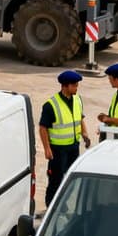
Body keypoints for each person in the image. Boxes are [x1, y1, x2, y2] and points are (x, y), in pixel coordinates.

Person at [39, 70, 90, 209]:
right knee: (55, 180)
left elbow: (80, 118)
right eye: (74, 85)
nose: (76, 87)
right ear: (65, 86)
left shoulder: (77, 100)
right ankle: (51, 207)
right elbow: (43, 128)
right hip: (57, 150)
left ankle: (63, 204)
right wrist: (47, 149)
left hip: (73, 147)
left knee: (70, 179)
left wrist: (85, 133)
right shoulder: (51, 105)